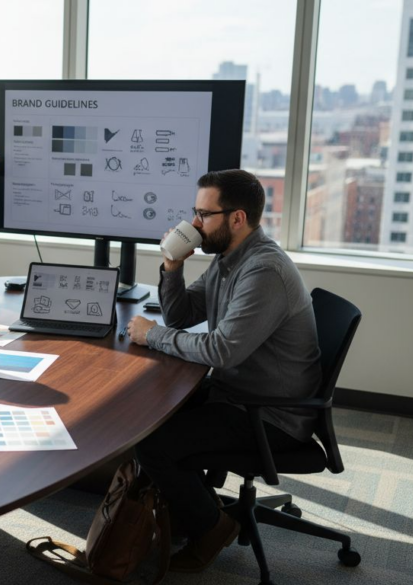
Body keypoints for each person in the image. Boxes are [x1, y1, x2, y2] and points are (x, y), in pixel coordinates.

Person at [126, 169, 321, 573]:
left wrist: (153, 336)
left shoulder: (262, 271)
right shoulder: (229, 259)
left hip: (269, 412)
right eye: (194, 213)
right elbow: (181, 316)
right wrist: (171, 265)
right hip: (236, 392)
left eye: (203, 214)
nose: (194, 224)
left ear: (237, 218)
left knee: (153, 443)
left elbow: (221, 350)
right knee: (146, 413)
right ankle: (196, 510)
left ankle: (212, 528)